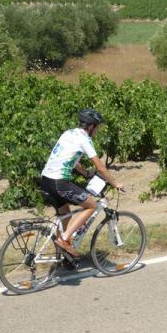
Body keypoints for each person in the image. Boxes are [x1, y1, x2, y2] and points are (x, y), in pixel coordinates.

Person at [40, 109, 123, 257]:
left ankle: (64, 256)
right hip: (59, 182)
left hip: (46, 180)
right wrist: (115, 184)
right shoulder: (85, 139)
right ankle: (64, 240)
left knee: (65, 215)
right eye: (97, 127)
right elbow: (100, 167)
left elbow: (72, 159)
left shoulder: (69, 133)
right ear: (91, 126)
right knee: (92, 205)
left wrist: (85, 173)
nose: (97, 131)